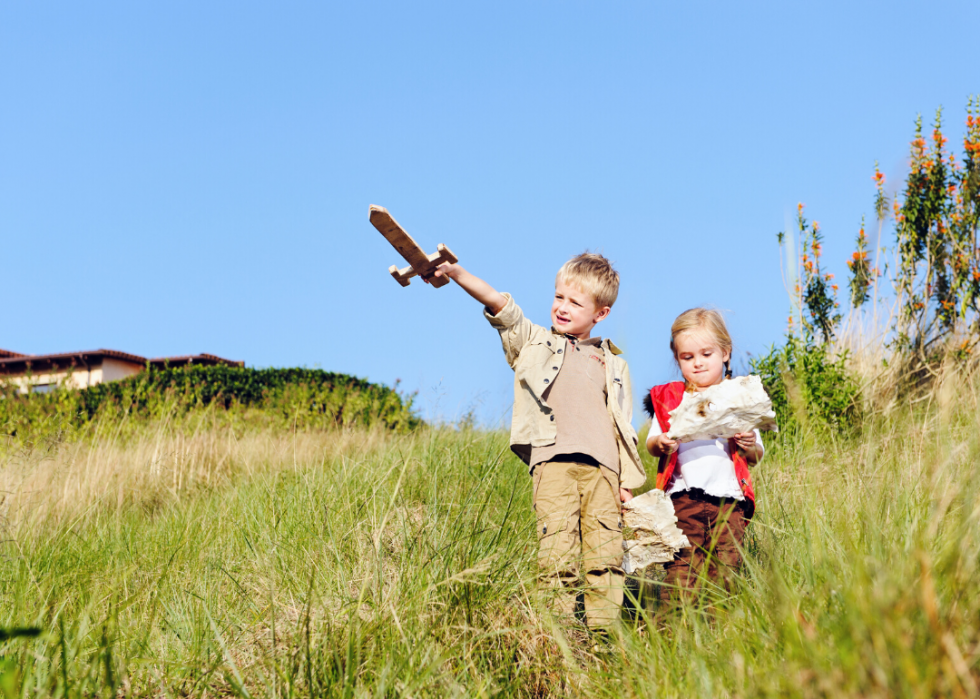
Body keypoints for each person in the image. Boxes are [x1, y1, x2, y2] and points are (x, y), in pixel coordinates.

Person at [430, 253, 646, 630]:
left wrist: (625, 483)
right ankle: (557, 638)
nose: (562, 307)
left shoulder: (612, 363)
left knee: (605, 559)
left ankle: (602, 641)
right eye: (559, 296)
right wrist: (458, 273)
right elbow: (500, 305)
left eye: (575, 303)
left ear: (601, 313)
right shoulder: (534, 341)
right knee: (557, 556)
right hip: (553, 464)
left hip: (604, 472)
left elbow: (621, 424)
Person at [644, 308, 763, 601]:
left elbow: (756, 454)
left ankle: (719, 634)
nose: (697, 364)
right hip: (683, 499)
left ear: (725, 352)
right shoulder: (672, 399)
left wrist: (748, 443)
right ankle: (672, 633)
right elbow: (651, 444)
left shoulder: (739, 400)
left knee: (725, 569)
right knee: (682, 569)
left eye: (706, 354)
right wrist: (662, 442)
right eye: (688, 357)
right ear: (678, 359)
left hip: (729, 501)